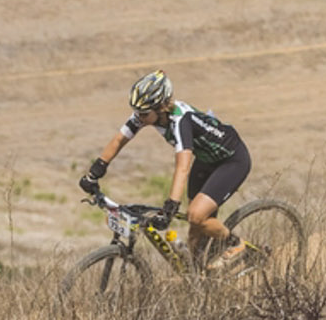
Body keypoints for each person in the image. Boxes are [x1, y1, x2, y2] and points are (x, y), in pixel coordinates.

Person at [81, 70, 251, 271]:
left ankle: (236, 244)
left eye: (144, 114)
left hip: (232, 160)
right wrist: (95, 172)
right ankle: (199, 279)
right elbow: (119, 139)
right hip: (206, 159)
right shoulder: (147, 114)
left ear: (161, 107)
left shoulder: (181, 121)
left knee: (196, 215)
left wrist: (171, 205)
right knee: (194, 231)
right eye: (137, 112)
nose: (139, 117)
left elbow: (182, 166)